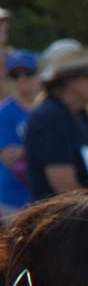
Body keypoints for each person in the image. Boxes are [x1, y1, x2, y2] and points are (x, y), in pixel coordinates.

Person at [24, 43, 88, 200]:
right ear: (70, 80)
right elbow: (65, 187)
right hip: (57, 213)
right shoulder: (49, 117)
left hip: (77, 210)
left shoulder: (80, 113)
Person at [0, 50, 40, 218]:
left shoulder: (48, 109)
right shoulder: (4, 112)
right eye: (15, 74)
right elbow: (9, 157)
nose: (22, 79)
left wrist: (24, 150)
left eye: (28, 72)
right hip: (13, 200)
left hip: (45, 197)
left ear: (38, 75)